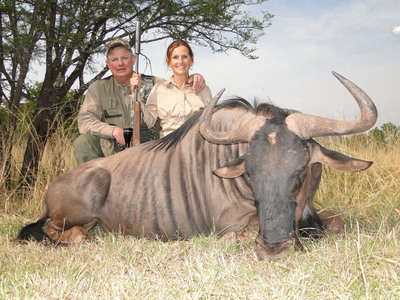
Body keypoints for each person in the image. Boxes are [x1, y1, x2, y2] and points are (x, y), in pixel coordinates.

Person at [74, 38, 206, 164]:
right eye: (114, 59)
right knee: (83, 141)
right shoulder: (98, 88)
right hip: (113, 153)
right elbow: (85, 122)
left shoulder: (156, 84)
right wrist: (114, 132)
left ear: (133, 59)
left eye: (125, 58)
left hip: (148, 152)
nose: (120, 63)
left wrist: (193, 77)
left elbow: (178, 85)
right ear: (108, 64)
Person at [141, 40, 213, 138]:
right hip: (167, 148)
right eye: (175, 57)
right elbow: (148, 122)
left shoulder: (203, 89)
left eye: (185, 57)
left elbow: (211, 123)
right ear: (168, 62)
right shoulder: (159, 89)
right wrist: (135, 95)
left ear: (191, 60)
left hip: (195, 148)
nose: (180, 61)